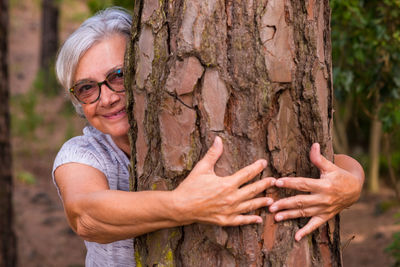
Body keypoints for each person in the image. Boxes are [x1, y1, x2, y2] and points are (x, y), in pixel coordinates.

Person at [53, 7, 364, 266]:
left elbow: (326, 161)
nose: (106, 98)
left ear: (144, 68)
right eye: (87, 88)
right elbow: (85, 215)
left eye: (117, 76)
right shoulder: (83, 153)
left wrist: (352, 185)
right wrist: (183, 205)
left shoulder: (185, 122)